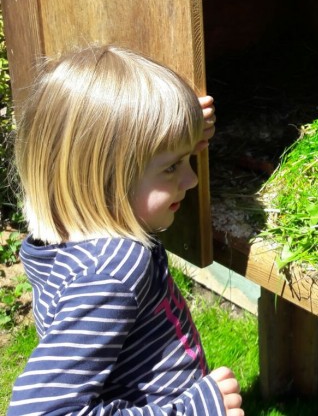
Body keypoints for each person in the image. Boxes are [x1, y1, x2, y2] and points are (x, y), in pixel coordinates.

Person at [8, 44, 243, 416]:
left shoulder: (68, 243)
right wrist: (195, 410)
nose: (192, 178)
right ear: (106, 180)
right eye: (172, 167)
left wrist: (176, 134)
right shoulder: (113, 271)